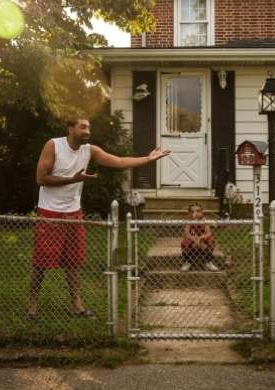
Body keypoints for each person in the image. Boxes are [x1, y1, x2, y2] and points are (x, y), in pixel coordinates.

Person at [28, 118, 171, 319]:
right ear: (71, 129)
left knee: (73, 262)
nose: (87, 131)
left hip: (74, 213)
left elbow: (119, 162)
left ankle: (76, 305)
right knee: (41, 262)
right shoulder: (54, 145)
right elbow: (41, 178)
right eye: (83, 127)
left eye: (89, 127)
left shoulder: (89, 151)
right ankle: (32, 307)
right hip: (50, 212)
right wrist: (73, 179)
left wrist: (148, 159)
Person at [180, 203, 219, 272]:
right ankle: (187, 262)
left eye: (198, 211)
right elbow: (186, 233)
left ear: (202, 212)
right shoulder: (189, 221)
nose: (195, 213)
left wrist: (200, 238)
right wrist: (194, 239)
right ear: (189, 214)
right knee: (185, 242)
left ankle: (208, 261)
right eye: (192, 211)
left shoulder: (204, 220)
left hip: (202, 243)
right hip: (192, 243)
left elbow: (208, 233)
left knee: (211, 240)